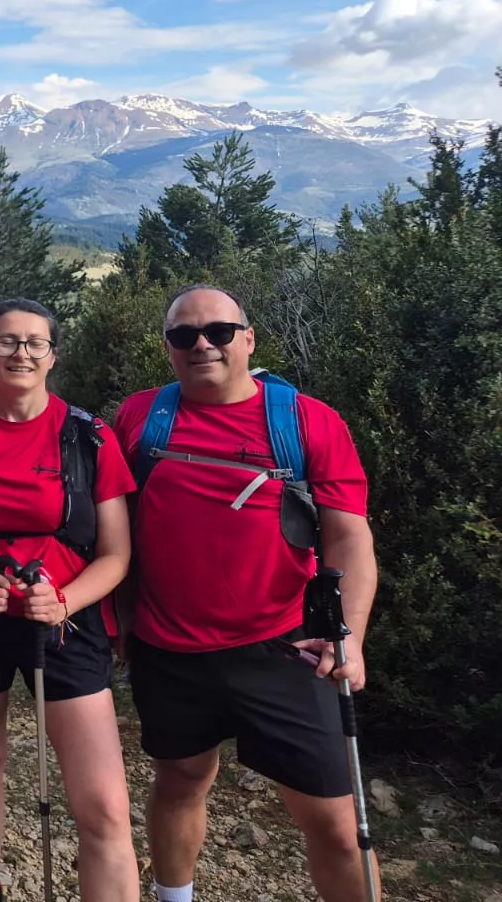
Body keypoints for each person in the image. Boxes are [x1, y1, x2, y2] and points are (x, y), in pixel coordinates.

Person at [112, 284, 379, 902]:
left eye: (219, 332)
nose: (202, 345)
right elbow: (115, 524)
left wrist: (351, 638)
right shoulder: (140, 417)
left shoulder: (306, 421)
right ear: (168, 348)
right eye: (184, 336)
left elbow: (351, 541)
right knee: (180, 780)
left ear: (249, 339)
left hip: (286, 647)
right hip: (168, 647)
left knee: (338, 825)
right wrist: (119, 619)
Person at [0, 298, 138, 902]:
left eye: (34, 343)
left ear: (53, 356)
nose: (21, 353)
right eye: (7, 341)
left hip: (63, 624)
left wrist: (65, 601)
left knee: (102, 802)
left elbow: (116, 555)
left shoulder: (89, 437)